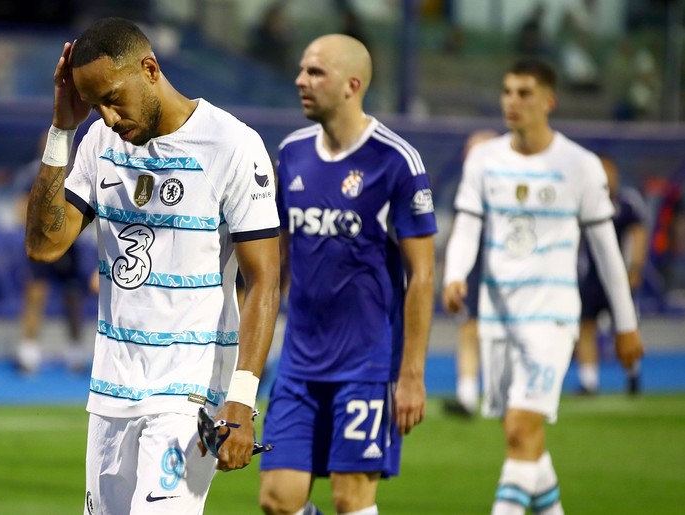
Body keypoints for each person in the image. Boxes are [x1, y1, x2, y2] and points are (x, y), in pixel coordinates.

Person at [23, 18, 280, 514]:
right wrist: (62, 129)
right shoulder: (99, 142)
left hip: (189, 389)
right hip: (112, 388)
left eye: (113, 98)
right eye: (95, 104)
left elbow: (265, 280)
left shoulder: (232, 145)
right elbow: (43, 246)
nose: (109, 116)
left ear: (150, 68)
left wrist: (242, 400)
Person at [442, 58, 643, 515]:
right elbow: (468, 227)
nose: (513, 101)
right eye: (508, 91)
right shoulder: (484, 160)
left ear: (548, 101)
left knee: (518, 429)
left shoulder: (580, 165)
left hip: (552, 318)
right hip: (497, 318)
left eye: (525, 92)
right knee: (526, 436)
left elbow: (608, 251)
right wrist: (455, 274)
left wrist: (626, 324)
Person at [259, 34, 437, 515]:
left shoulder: (395, 161)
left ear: (351, 85)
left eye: (315, 72)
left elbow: (422, 277)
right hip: (298, 364)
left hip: (367, 365)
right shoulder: (292, 153)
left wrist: (412, 375)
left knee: (350, 500)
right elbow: (274, 266)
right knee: (277, 500)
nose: (301, 80)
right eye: (301, 69)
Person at [14, 134, 91, 374]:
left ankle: (75, 350)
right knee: (36, 294)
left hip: (69, 244)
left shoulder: (78, 171)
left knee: (73, 297)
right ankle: (28, 351)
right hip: (41, 242)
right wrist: (39, 230)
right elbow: (20, 208)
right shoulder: (32, 173)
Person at [576, 156, 649, 395]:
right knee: (585, 324)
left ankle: (632, 374)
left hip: (619, 275)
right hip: (590, 276)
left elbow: (638, 234)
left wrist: (635, 268)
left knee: (626, 322)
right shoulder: (583, 200)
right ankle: (588, 381)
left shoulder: (627, 202)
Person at [443, 129, 499, 418]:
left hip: (508, 268)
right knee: (469, 327)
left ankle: (502, 395)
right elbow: (459, 231)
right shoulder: (464, 188)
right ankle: (466, 395)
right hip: (474, 266)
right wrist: (453, 272)